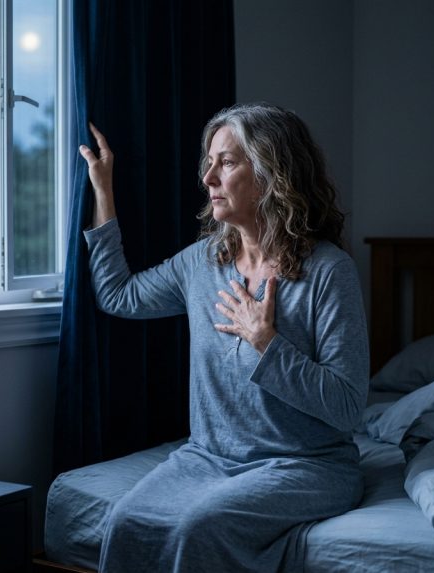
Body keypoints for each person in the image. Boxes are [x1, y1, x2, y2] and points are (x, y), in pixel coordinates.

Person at [79, 102, 369, 573]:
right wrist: (103, 190)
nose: (208, 178)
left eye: (227, 162)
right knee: (126, 521)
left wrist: (267, 343)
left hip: (307, 466)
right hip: (207, 457)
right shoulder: (202, 263)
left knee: (199, 526)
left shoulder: (329, 272)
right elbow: (119, 296)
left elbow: (348, 406)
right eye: (209, 163)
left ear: (273, 172)